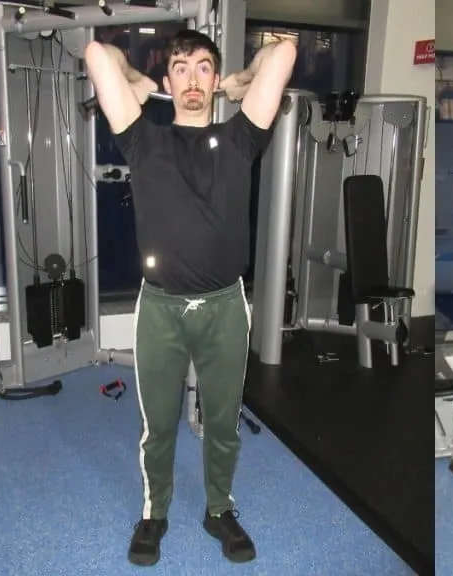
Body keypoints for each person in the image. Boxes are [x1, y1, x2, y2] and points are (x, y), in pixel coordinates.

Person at [84, 30, 296, 566]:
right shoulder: (142, 140)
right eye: (180, 68)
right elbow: (95, 55)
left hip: (226, 307)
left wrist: (240, 82)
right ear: (169, 80)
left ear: (214, 79)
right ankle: (155, 513)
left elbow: (285, 53)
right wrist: (136, 81)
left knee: (222, 422)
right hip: (160, 311)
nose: (193, 79)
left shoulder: (242, 137)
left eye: (204, 68)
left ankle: (219, 509)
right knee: (158, 424)